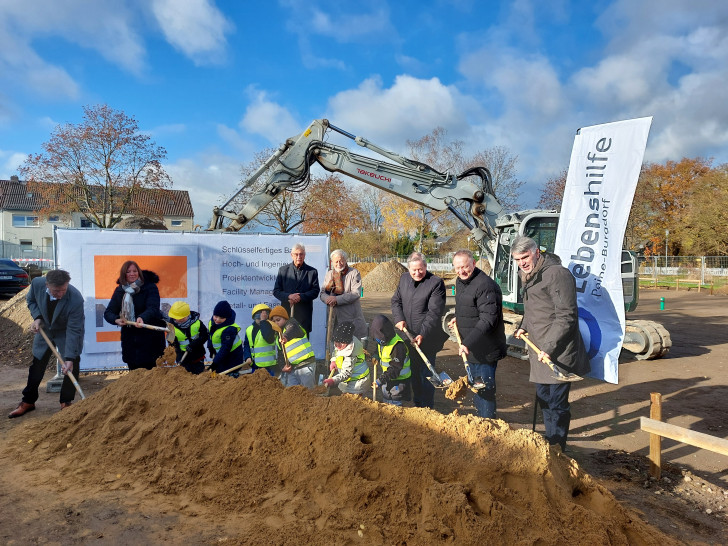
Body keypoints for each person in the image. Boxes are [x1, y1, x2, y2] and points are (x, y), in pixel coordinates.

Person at [512, 235, 590, 451]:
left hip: (558, 351)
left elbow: (567, 315)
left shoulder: (557, 274)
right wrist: (523, 325)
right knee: (544, 398)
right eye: (517, 260)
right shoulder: (526, 274)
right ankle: (550, 442)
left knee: (557, 403)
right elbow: (533, 308)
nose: (522, 263)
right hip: (539, 350)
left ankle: (557, 448)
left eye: (525, 257)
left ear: (537, 252)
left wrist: (549, 347)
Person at [9, 269, 85, 417]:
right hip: (45, 329)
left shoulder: (75, 299)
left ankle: (66, 402)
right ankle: (28, 401)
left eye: (64, 289)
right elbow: (30, 300)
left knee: (72, 364)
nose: (61, 294)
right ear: (47, 285)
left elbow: (74, 330)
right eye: (57, 291)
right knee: (37, 366)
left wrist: (68, 358)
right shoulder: (37, 284)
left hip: (66, 332)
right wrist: (37, 317)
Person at [448, 249, 507, 419]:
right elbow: (466, 305)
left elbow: (488, 319)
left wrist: (468, 342)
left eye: (465, 267)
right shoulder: (461, 281)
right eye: (457, 268)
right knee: (476, 387)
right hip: (472, 348)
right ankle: (480, 422)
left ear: (474, 263)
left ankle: (487, 424)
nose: (461, 271)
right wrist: (458, 319)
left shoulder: (485, 285)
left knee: (485, 390)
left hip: (485, 349)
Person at [391, 251, 447, 409]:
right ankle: (417, 403)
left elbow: (434, 313)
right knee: (413, 371)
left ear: (425, 266)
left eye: (420, 269)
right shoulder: (404, 279)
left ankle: (427, 406)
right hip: (407, 335)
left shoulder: (435, 283)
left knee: (426, 373)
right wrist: (399, 318)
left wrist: (423, 333)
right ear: (408, 268)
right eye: (413, 270)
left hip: (427, 338)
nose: (417, 273)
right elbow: (396, 301)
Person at [104, 261, 165, 371]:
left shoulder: (150, 287)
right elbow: (108, 313)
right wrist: (116, 320)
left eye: (135, 271)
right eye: (128, 272)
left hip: (151, 341)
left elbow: (153, 308)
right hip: (131, 343)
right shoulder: (120, 290)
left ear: (139, 272)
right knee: (135, 379)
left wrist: (143, 318)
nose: (132, 274)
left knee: (152, 380)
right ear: (124, 274)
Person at [320, 249, 367, 339]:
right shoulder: (329, 274)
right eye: (336, 261)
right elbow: (323, 293)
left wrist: (336, 299)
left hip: (350, 318)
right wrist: (327, 299)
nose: (339, 263)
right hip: (334, 318)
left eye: (341, 260)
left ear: (345, 260)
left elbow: (356, 293)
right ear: (332, 262)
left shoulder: (354, 273)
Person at [273, 243, 320, 334]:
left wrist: (300, 297)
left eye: (301, 254)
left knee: (303, 346)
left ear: (304, 255)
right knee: (285, 344)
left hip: (303, 317)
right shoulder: (283, 270)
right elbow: (276, 291)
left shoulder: (312, 272)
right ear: (292, 255)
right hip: (286, 315)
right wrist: (289, 296)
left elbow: (315, 291)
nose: (299, 256)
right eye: (296, 254)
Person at [268, 305, 316, 389]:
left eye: (278, 320)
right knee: (291, 391)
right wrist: (283, 367)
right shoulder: (278, 336)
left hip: (306, 364)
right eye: (274, 321)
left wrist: (285, 337)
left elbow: (292, 329)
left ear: (285, 318)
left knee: (308, 391)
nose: (276, 323)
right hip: (293, 368)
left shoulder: (292, 323)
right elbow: (281, 354)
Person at [369, 314, 411, 406]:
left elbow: (395, 368)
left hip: (399, 382)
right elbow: (379, 348)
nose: (379, 342)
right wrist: (376, 355)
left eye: (380, 340)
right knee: (387, 399)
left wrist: (380, 381)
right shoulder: (381, 340)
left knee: (394, 403)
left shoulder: (398, 346)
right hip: (387, 378)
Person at [323, 321, 370, 395]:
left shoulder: (351, 353)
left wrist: (333, 380)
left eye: (340, 343)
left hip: (357, 383)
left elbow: (346, 373)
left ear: (347, 342)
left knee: (352, 403)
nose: (337, 345)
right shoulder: (341, 342)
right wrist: (333, 360)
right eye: (336, 342)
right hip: (347, 381)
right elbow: (336, 351)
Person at [167, 301, 209, 375]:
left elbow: (205, 336)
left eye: (182, 318)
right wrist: (179, 358)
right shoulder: (171, 327)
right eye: (176, 318)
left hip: (198, 356)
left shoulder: (198, 323)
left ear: (188, 315)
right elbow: (172, 345)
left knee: (199, 376)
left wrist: (193, 345)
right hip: (183, 358)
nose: (178, 320)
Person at [207, 300, 246, 375]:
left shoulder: (229, 329)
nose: (217, 320)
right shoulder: (212, 322)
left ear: (227, 318)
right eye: (216, 316)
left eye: (221, 318)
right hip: (222, 355)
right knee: (218, 371)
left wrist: (215, 363)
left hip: (233, 357)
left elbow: (225, 348)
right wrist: (210, 348)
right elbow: (211, 335)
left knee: (227, 375)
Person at [243, 304, 277, 376]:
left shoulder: (272, 328)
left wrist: (263, 322)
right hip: (255, 366)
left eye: (264, 316)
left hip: (270, 367)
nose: (261, 319)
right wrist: (247, 356)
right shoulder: (249, 329)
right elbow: (246, 345)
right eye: (259, 318)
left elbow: (268, 337)